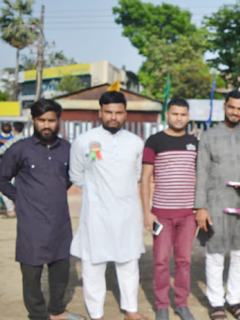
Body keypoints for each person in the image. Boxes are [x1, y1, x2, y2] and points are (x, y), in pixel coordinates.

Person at [0, 100, 85, 320]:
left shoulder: (67, 149)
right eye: (41, 120)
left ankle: (57, 311)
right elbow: (2, 178)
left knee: (61, 270)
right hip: (31, 224)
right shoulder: (20, 149)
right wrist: (21, 198)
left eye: (51, 120)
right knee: (31, 273)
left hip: (59, 223)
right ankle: (38, 315)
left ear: (58, 121)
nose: (46, 125)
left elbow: (70, 178)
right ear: (33, 120)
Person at [69, 91, 147, 320]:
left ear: (125, 114)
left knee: (129, 263)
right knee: (93, 266)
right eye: (109, 112)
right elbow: (76, 175)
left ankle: (130, 310)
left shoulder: (135, 142)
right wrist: (98, 193)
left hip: (127, 213)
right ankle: (96, 315)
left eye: (118, 113)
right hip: (96, 214)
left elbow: (136, 175)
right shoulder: (84, 141)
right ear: (100, 112)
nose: (113, 117)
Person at [194, 90, 240, 320]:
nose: (235, 112)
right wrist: (200, 207)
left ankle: (234, 299)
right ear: (224, 107)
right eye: (232, 107)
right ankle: (216, 303)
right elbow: (201, 172)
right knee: (215, 253)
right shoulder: (209, 136)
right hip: (215, 203)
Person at [141, 98, 197, 320]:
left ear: (188, 116)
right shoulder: (155, 141)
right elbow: (145, 178)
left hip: (188, 214)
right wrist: (147, 212)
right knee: (161, 261)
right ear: (167, 114)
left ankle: (181, 303)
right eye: (175, 114)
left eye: (183, 114)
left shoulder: (194, 142)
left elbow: (200, 177)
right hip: (161, 214)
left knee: (184, 260)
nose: (179, 118)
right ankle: (162, 305)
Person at [0, 121, 25, 218]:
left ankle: (11, 211)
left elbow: (2, 150)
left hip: (12, 168)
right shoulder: (26, 140)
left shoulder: (14, 140)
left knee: (5, 187)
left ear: (14, 129)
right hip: (23, 169)